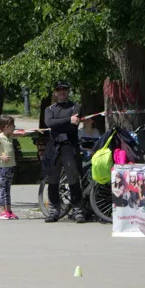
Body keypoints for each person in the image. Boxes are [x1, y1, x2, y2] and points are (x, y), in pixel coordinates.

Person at [42, 80, 85, 223]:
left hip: (69, 146)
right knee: (53, 180)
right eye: (59, 90)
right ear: (55, 92)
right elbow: (49, 123)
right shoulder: (49, 109)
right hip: (54, 147)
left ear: (68, 91)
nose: (62, 92)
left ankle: (78, 210)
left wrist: (60, 124)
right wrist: (68, 120)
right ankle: (54, 210)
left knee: (73, 178)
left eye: (64, 89)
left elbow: (73, 127)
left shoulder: (76, 106)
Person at [0, 115, 18, 220]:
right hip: (2, 167)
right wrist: (1, 157)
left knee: (8, 189)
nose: (14, 126)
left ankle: (8, 210)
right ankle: (2, 211)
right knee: (2, 189)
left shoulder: (9, 135)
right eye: (12, 125)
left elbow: (22, 133)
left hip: (10, 166)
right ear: (6, 126)